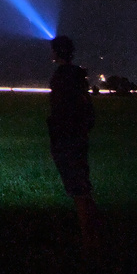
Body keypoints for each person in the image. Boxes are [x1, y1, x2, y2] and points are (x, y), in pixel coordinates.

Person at [48, 34, 100, 252]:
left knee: (78, 189)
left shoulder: (61, 77)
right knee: (83, 188)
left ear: (56, 53)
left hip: (66, 138)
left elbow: (60, 109)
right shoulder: (79, 76)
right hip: (79, 136)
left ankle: (90, 241)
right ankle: (94, 234)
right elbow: (86, 107)